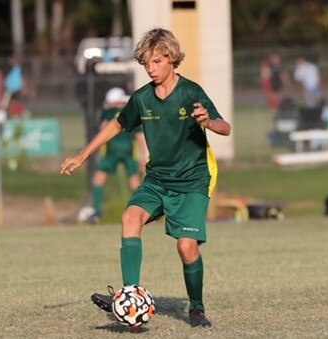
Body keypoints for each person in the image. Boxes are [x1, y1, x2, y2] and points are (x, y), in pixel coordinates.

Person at [60, 28, 231, 328]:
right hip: (157, 180)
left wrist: (208, 121)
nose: (151, 68)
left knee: (186, 247)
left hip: (192, 181)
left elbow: (224, 126)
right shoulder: (141, 99)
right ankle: (129, 301)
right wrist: (83, 155)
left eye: (157, 61)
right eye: (146, 63)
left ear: (172, 59)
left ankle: (196, 308)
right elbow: (116, 125)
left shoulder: (191, 92)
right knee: (130, 218)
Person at [83, 87, 145, 223]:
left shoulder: (107, 113)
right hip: (129, 150)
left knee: (99, 179)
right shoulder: (131, 112)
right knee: (134, 181)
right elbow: (140, 137)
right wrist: (144, 156)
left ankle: (98, 212)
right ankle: (141, 212)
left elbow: (102, 129)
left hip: (111, 150)